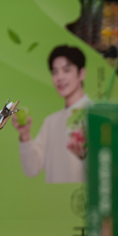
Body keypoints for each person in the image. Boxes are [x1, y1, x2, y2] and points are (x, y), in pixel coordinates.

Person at [12, 44, 93, 183]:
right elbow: (31, 168)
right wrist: (25, 136)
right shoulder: (51, 121)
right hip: (52, 202)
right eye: (55, 72)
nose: (59, 77)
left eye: (66, 70)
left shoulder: (96, 115)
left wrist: (85, 156)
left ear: (82, 73)